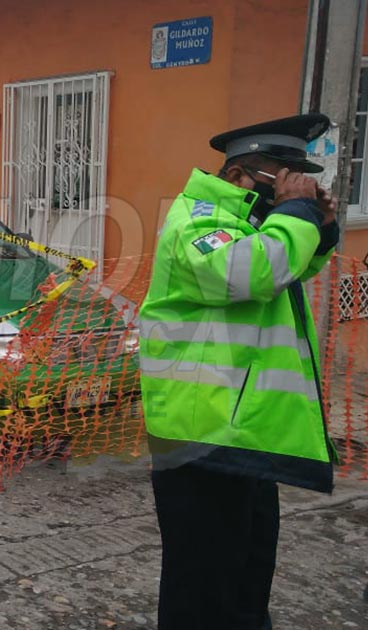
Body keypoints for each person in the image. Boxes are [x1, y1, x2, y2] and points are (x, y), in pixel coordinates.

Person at [138, 113, 341, 629]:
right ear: (236, 176)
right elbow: (247, 271)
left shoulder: (245, 222)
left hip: (242, 431)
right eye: (281, 179)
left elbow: (283, 267)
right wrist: (294, 213)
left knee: (245, 584)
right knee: (202, 594)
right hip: (199, 434)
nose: (291, 190)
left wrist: (318, 226)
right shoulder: (197, 218)